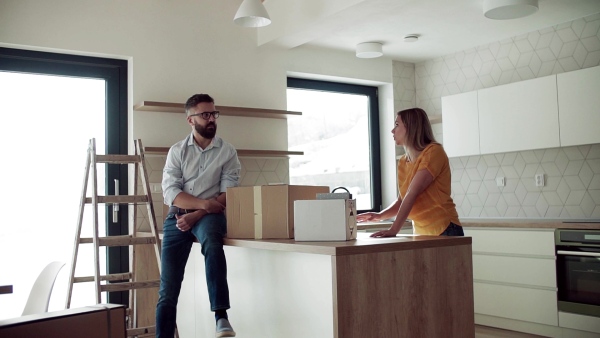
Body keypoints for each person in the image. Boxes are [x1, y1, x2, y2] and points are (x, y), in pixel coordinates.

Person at [156, 93, 241, 338]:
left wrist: (198, 214)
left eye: (214, 114)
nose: (212, 119)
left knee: (213, 244)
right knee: (167, 290)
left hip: (210, 216)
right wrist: (203, 205)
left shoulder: (227, 152)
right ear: (190, 120)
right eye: (205, 114)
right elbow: (172, 193)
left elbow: (230, 193)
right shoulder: (177, 151)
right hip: (179, 216)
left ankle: (221, 316)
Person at [357, 107, 463, 237]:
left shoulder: (434, 152)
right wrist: (379, 216)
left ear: (411, 128)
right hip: (421, 231)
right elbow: (402, 201)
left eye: (397, 125)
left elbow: (412, 193)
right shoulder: (403, 162)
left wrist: (394, 230)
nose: (392, 130)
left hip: (445, 228)